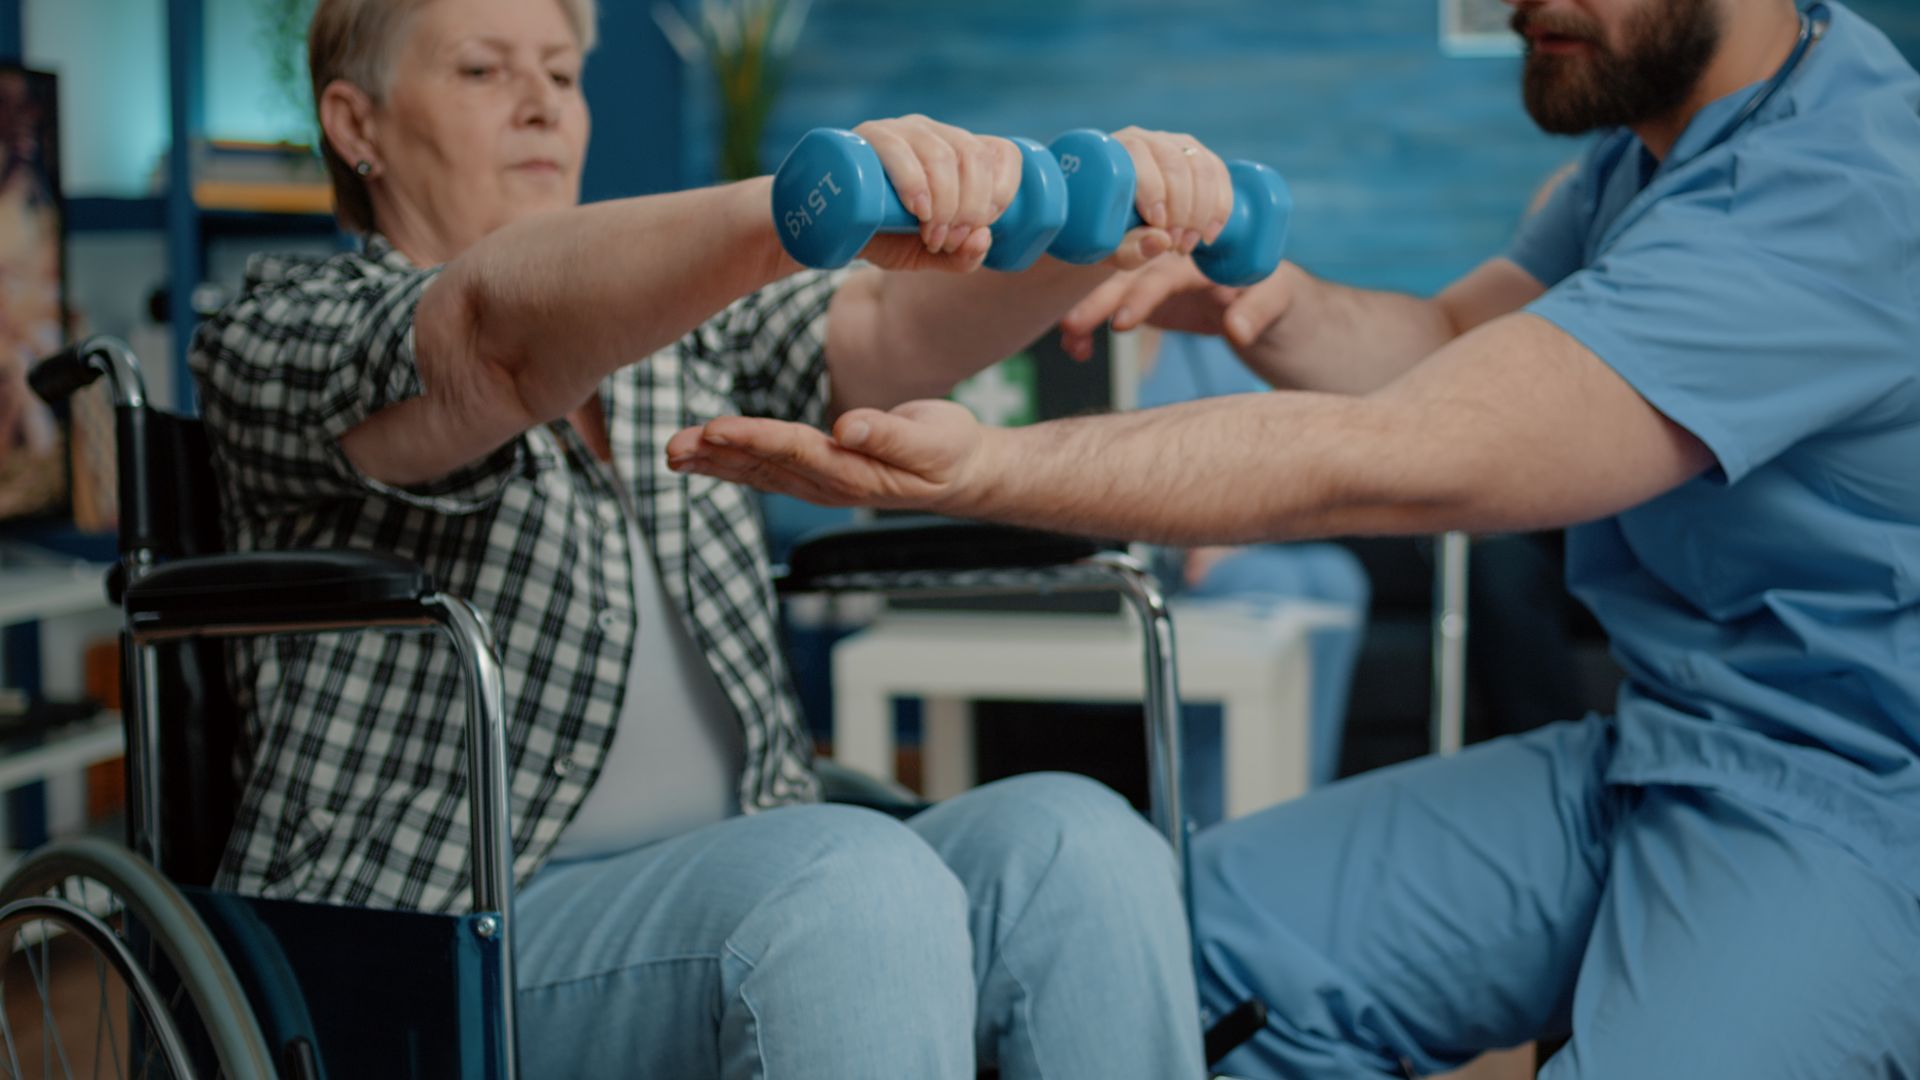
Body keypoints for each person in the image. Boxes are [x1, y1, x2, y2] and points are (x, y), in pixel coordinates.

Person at [666, 0, 1920, 1074]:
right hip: (1659, 754)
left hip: (1854, 806)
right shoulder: (1638, 164)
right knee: (1158, 952)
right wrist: (1270, 304)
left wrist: (994, 467)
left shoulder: (1838, 187)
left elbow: (1420, 450)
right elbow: (1440, 341)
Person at [190, 0, 1239, 1075]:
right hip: (441, 933)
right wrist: (797, 207)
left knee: (1084, 842)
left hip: (744, 859)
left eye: (561, 72)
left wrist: (1097, 235)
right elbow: (488, 340)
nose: (542, 104)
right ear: (354, 123)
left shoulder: (666, 338)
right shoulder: (276, 330)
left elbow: (883, 331)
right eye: (482, 70)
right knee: (847, 882)